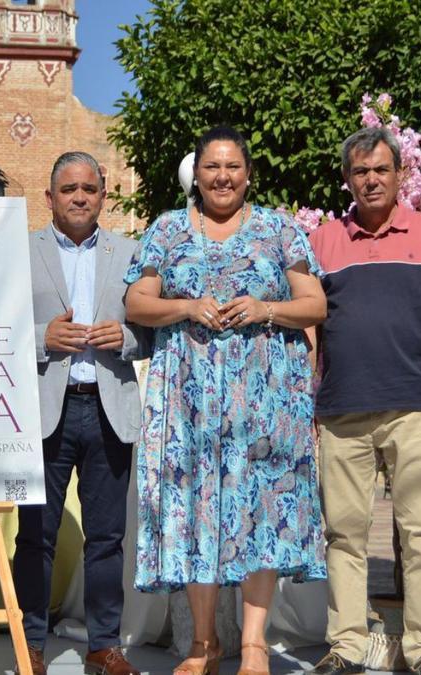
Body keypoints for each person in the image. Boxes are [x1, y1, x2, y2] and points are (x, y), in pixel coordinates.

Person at [125, 126, 327, 675]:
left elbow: (314, 304)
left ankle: (256, 644)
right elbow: (136, 302)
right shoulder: (167, 229)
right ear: (199, 174)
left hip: (265, 402)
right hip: (189, 403)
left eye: (233, 167)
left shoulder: (278, 229)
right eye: (212, 167)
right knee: (197, 511)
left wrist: (267, 309)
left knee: (261, 509)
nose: (222, 177)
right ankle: (204, 644)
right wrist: (186, 308)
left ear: (247, 173)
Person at [305, 127, 421, 675]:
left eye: (381, 170)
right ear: (347, 179)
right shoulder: (322, 241)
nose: (371, 180)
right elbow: (309, 331)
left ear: (401, 175)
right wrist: (308, 402)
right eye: (360, 171)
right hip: (341, 411)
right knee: (343, 535)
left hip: (415, 406)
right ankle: (346, 646)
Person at [14, 151, 150, 675]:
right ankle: (31, 643)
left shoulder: (131, 254)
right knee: (36, 535)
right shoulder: (21, 254)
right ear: (49, 198)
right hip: (44, 408)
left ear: (103, 195)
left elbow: (155, 327)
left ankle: (103, 645)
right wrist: (41, 338)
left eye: (88, 189)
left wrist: (131, 337)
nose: (78, 197)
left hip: (109, 407)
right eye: (68, 189)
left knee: (108, 537)